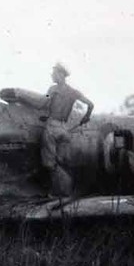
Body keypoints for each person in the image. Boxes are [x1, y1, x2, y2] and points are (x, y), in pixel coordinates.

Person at [40, 63, 94, 196]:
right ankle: (67, 192)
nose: (52, 75)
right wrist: (86, 117)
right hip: (64, 129)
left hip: (52, 128)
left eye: (54, 73)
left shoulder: (52, 90)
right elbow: (91, 104)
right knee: (62, 162)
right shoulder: (73, 92)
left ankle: (54, 192)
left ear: (60, 74)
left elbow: (43, 102)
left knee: (49, 163)